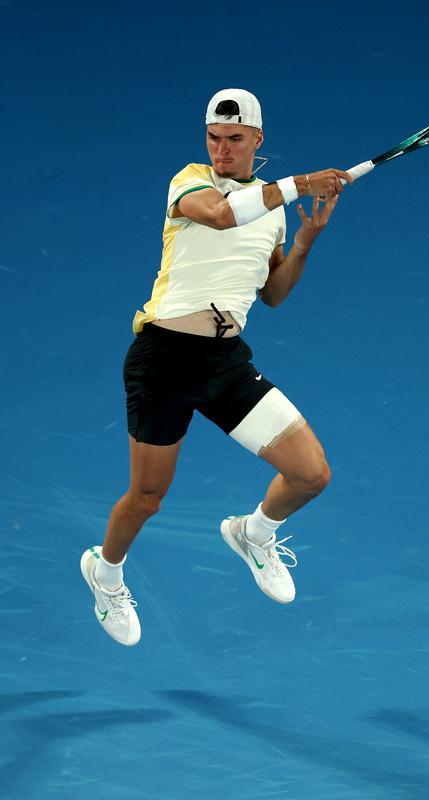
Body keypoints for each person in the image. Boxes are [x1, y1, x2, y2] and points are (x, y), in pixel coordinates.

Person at [80, 88, 353, 646]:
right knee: (147, 499)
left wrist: (302, 242)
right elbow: (224, 216)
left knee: (311, 474)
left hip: (224, 362)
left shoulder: (271, 211)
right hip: (162, 360)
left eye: (233, 139)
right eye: (214, 138)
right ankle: (105, 572)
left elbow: (273, 295)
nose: (222, 150)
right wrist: (301, 183)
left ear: (256, 140)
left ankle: (255, 533)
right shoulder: (189, 182)